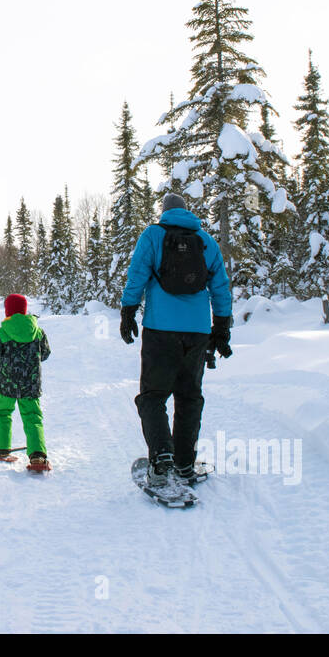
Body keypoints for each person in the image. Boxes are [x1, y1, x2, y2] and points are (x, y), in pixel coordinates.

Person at [119, 191, 232, 486]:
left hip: (160, 330)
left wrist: (128, 310)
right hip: (198, 332)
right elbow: (221, 288)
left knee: (153, 396)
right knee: (189, 397)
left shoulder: (153, 235)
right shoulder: (206, 242)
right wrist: (221, 329)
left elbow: (137, 274)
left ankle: (161, 460)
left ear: (164, 212)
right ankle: (184, 464)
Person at [0, 293, 52, 471]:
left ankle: (1, 448)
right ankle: (38, 456)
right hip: (31, 384)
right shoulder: (38, 331)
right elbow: (45, 354)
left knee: (2, 412)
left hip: (6, 384)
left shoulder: (2, 332)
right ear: (24, 310)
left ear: (7, 311)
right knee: (33, 417)